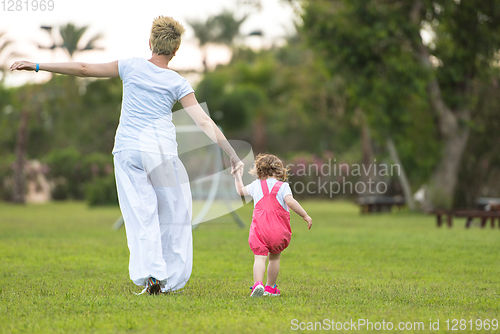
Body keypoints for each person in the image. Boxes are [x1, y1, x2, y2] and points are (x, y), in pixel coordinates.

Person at [11, 16, 243, 295]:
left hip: (127, 151)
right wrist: (232, 154)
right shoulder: (178, 81)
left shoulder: (131, 66)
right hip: (161, 154)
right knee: (174, 216)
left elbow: (84, 68)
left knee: (141, 215)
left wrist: (37, 65)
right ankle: (166, 276)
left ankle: (152, 275)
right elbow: (204, 122)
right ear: (176, 50)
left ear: (150, 43)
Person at [234, 153, 312, 297]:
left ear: (259, 171)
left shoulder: (256, 185)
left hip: (259, 230)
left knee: (259, 258)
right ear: (279, 170)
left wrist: (237, 176)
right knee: (274, 258)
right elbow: (290, 202)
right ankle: (270, 288)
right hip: (278, 230)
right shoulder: (283, 186)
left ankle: (258, 284)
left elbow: (240, 191)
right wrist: (305, 215)